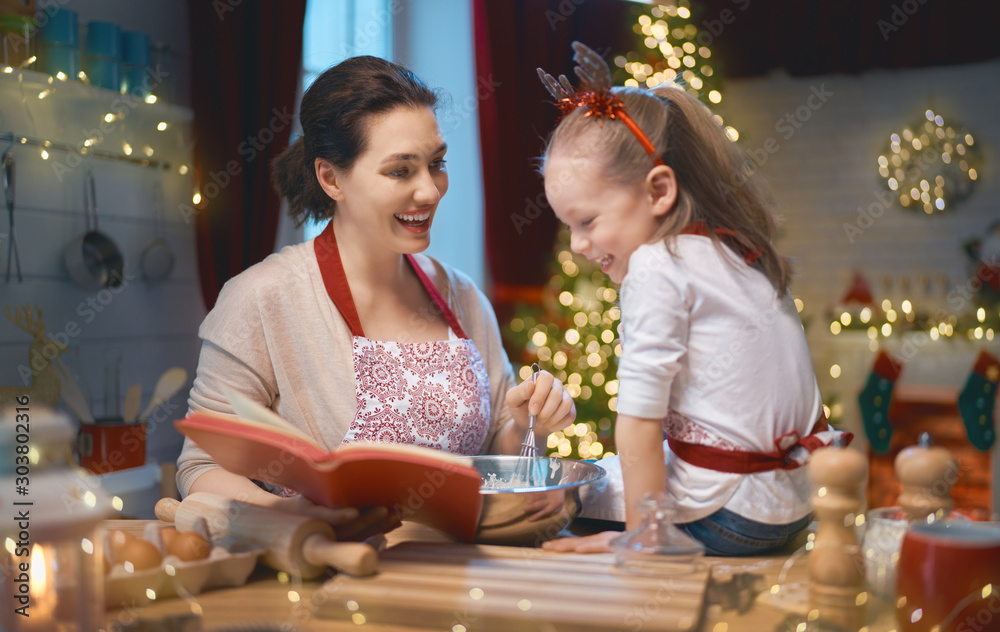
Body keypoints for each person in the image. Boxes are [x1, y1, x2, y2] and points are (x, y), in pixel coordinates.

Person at [176, 56, 576, 539]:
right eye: (400, 171)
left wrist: (526, 425)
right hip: (336, 585)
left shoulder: (464, 297)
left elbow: (495, 463)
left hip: (464, 578)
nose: (429, 191)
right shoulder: (262, 298)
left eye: (436, 164)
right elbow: (201, 467)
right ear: (331, 179)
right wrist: (296, 519)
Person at [537, 43, 847, 556]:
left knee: (557, 503)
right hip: (793, 504)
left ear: (659, 191)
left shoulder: (657, 266)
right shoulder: (733, 249)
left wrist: (641, 540)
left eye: (588, 221)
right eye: (568, 225)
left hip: (729, 517)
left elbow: (639, 421)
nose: (577, 245)